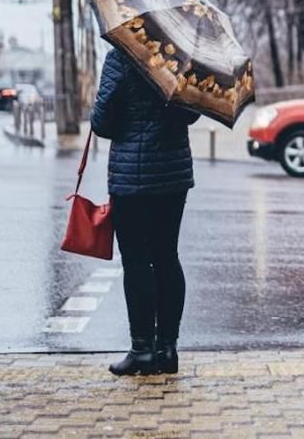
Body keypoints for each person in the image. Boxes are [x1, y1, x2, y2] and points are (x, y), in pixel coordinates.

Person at [90, 47, 200, 376]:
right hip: (173, 174)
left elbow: (102, 123)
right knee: (167, 256)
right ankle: (167, 349)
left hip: (131, 178)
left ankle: (142, 351)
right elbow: (191, 114)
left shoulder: (121, 57)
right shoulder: (180, 57)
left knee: (137, 261)